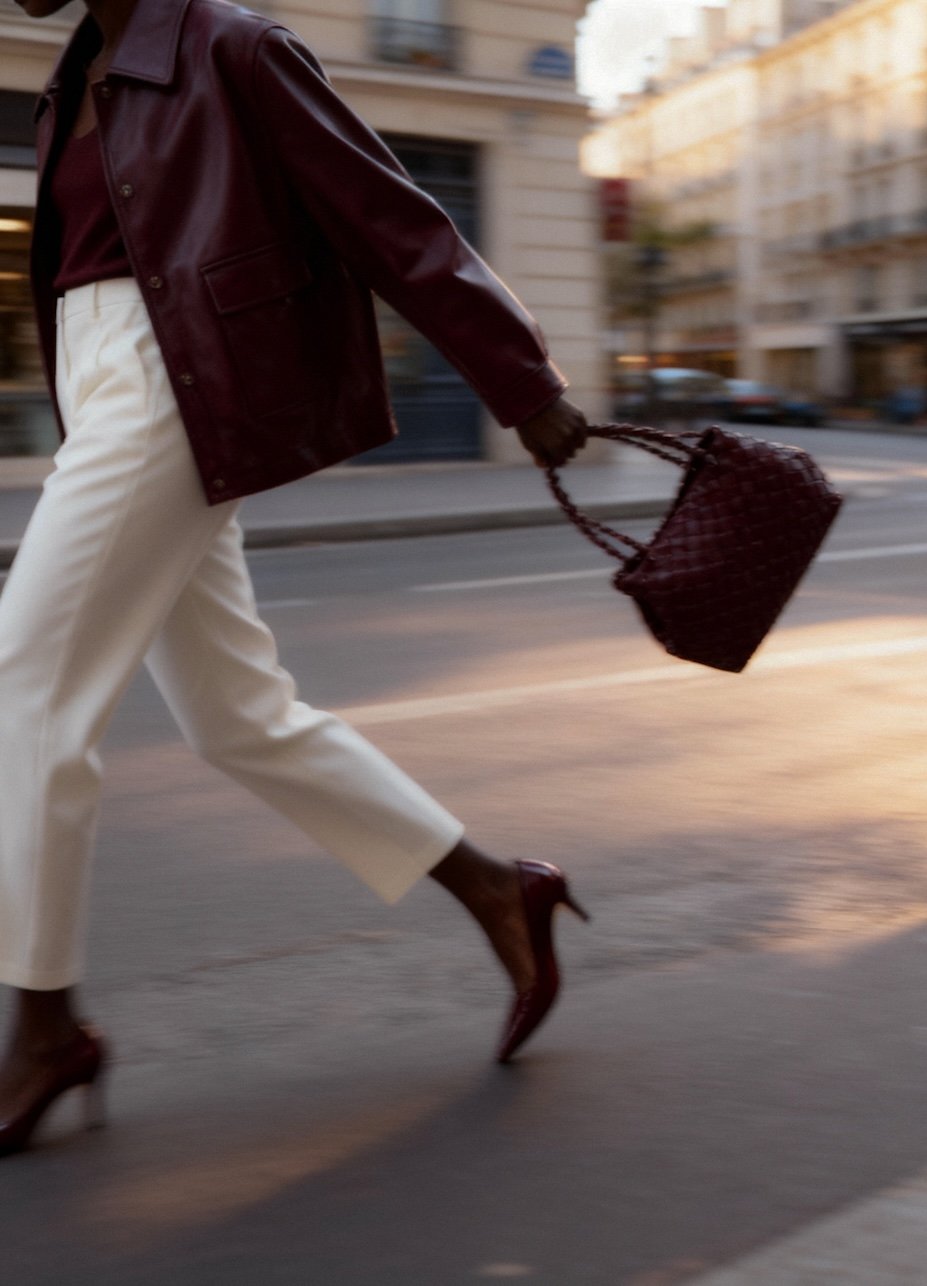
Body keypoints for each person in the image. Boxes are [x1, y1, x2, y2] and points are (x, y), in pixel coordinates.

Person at [0, 0, 591, 1157]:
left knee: (25, 684)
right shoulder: (78, 72)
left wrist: (521, 383)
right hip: (111, 397)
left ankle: (42, 1023)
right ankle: (492, 888)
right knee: (238, 716)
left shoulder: (231, 47)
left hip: (169, 386)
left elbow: (393, 219)